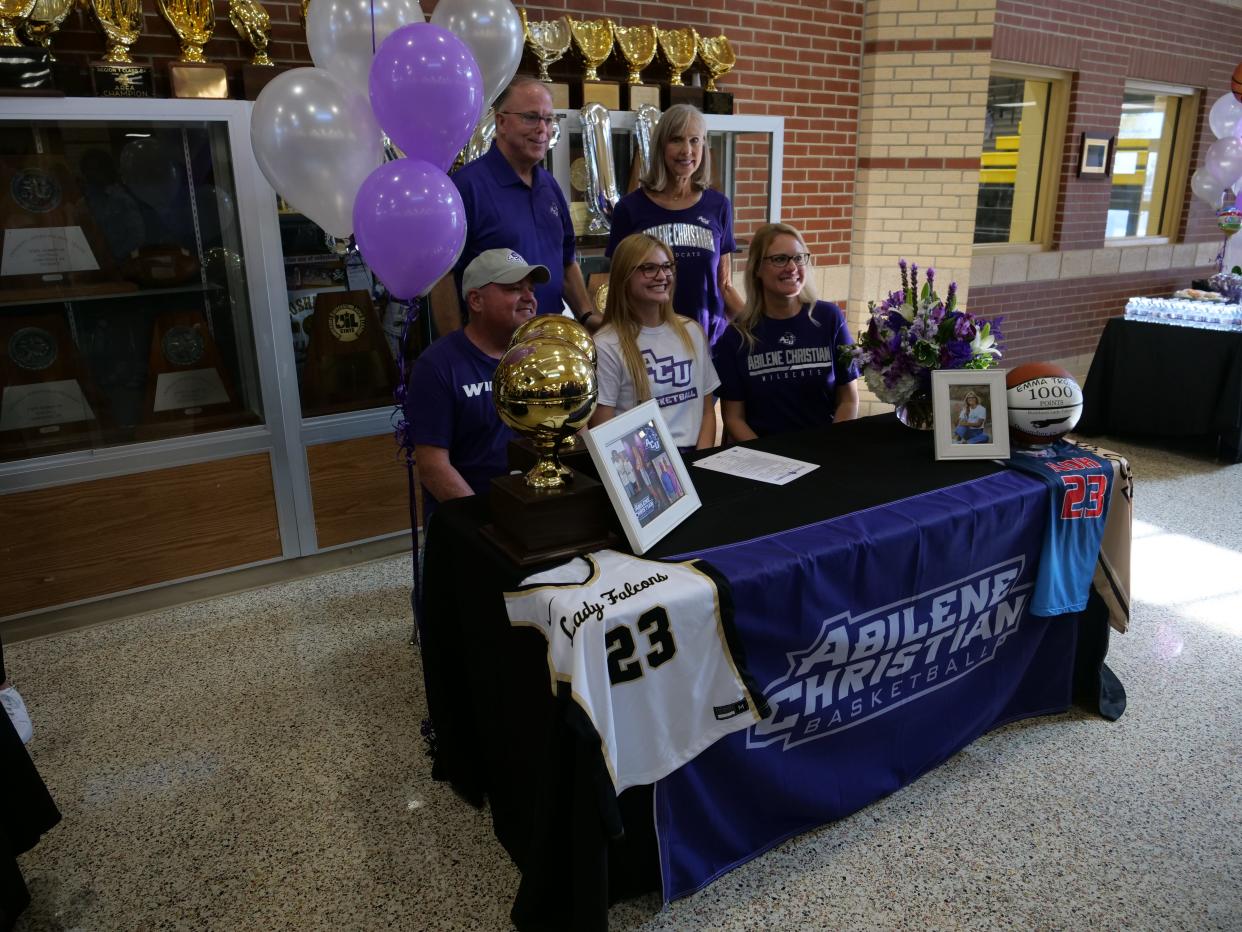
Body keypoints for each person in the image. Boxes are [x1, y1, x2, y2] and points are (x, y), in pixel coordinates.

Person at [430, 76, 592, 336]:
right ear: (501, 122)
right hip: (493, 350)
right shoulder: (466, 187)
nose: (543, 129)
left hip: (550, 341)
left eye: (548, 119)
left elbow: (566, 262)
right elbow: (442, 276)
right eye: (531, 117)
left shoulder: (549, 187)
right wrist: (458, 350)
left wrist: (587, 317)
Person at [408, 248, 546, 514]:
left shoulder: (542, 356)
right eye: (514, 288)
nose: (529, 297)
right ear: (476, 300)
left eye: (531, 289)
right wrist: (486, 522)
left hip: (539, 511)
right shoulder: (437, 365)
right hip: (470, 519)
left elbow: (574, 433)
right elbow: (433, 467)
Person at [605, 104, 743, 347]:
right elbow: (618, 288)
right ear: (661, 146)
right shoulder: (629, 209)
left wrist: (759, 329)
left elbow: (725, 284)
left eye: (695, 140)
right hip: (649, 344)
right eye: (676, 140)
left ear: (704, 146)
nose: (686, 150)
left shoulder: (718, 206)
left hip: (708, 343)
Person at [713, 222, 860, 441]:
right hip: (766, 462)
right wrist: (770, 462)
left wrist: (832, 446)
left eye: (799, 258)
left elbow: (848, 399)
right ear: (757, 269)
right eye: (780, 259)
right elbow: (734, 418)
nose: (792, 267)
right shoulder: (736, 337)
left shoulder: (829, 318)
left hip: (826, 452)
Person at [590, 233, 719, 452]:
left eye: (667, 266)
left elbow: (707, 412)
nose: (663, 276)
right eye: (649, 268)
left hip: (694, 454)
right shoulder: (606, 344)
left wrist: (700, 461)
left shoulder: (692, 331)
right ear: (624, 276)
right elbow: (603, 429)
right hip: (642, 463)